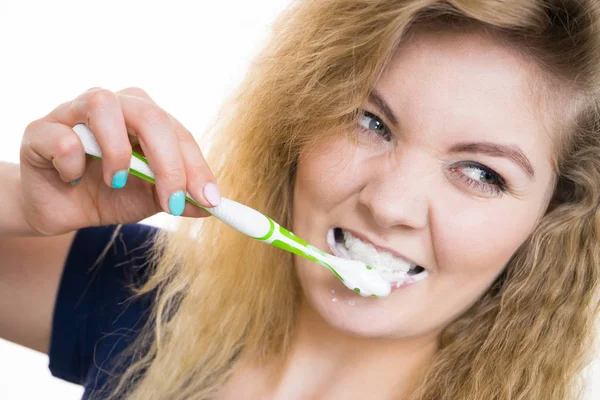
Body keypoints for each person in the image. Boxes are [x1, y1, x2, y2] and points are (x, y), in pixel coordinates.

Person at [2, 0, 600, 398]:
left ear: (552, 223)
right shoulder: (150, 296)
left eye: (480, 173)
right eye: (369, 122)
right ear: (299, 117)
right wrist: (24, 210)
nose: (389, 205)